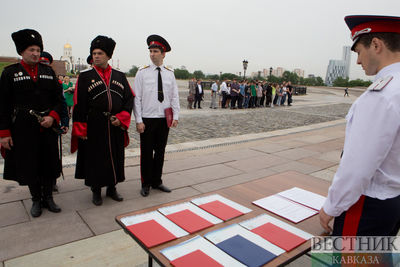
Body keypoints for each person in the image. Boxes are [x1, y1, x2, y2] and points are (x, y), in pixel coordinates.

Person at [320, 15, 400, 237]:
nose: (357, 61)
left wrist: (331, 207)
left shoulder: (381, 95)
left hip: (367, 205)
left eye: (358, 52)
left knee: (350, 261)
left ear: (376, 45)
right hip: (393, 200)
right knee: (376, 260)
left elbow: (358, 166)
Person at [0, 29, 64, 217]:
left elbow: (59, 99)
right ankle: (36, 199)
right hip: (23, 129)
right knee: (30, 165)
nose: (35, 53)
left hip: (47, 128)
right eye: (31, 50)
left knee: (49, 164)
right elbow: (2, 105)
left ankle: (49, 198)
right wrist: (4, 133)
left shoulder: (48, 72)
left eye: (38, 49)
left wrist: (52, 116)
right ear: (22, 51)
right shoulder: (10, 74)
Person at [72, 35, 134, 206]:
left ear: (108, 56)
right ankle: (96, 190)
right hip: (94, 124)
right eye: (94, 53)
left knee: (115, 156)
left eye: (100, 53)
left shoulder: (120, 76)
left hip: (115, 124)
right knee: (96, 159)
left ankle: (112, 188)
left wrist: (121, 118)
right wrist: (81, 128)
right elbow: (79, 104)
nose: (96, 56)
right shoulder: (85, 76)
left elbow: (129, 99)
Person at [133, 34, 180, 197]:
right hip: (147, 119)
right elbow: (136, 98)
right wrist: (138, 120)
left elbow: (174, 96)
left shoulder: (169, 73)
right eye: (151, 51)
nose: (152, 54)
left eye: (155, 51)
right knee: (146, 153)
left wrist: (176, 116)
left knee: (160, 152)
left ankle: (157, 181)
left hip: (163, 119)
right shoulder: (142, 73)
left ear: (163, 54)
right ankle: (145, 183)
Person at [40, 51, 69, 192]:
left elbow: (61, 104)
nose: (42, 64)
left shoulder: (55, 82)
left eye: (45, 62)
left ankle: (52, 181)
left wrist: (64, 122)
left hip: (52, 123)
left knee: (52, 156)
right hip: (32, 126)